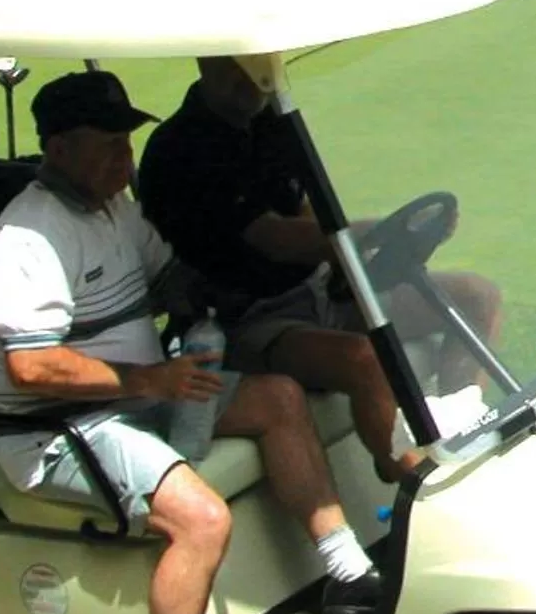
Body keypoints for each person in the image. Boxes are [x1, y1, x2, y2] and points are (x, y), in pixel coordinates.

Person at [0, 68, 384, 614]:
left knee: (277, 396)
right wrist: (146, 383)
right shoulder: (27, 235)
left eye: (126, 143)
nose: (124, 160)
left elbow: (168, 277)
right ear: (60, 147)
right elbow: (33, 367)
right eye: (107, 146)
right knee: (201, 518)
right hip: (56, 430)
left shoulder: (112, 209)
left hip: (138, 398)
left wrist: (203, 307)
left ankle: (345, 570)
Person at [138, 55, 501, 481]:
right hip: (244, 320)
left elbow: (305, 207)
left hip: (318, 289)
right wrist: (362, 236)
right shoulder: (180, 148)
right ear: (206, 60)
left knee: (478, 296)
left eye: (255, 65)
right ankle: (411, 478)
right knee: (366, 359)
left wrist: (358, 255)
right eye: (236, 67)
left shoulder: (269, 118)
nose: (250, 80)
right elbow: (272, 237)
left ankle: (464, 427)